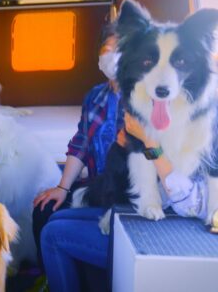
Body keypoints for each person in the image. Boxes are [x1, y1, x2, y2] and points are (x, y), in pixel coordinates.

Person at [40, 111, 210, 292]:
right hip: (159, 210)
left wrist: (148, 141)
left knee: (53, 234)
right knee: (56, 218)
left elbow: (188, 202)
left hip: (174, 232)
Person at [32, 26, 123, 265]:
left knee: (57, 228)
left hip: (123, 195)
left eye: (121, 50)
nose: (113, 57)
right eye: (107, 50)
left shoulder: (143, 99)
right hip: (94, 188)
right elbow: (80, 144)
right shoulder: (95, 97)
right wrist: (62, 188)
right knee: (44, 210)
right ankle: (47, 278)